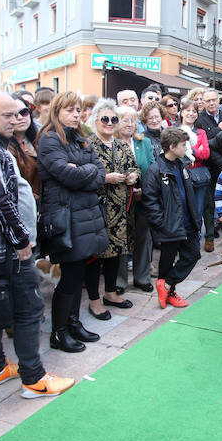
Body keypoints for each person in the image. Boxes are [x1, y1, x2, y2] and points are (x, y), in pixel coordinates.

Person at [0, 91, 74, 398]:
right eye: (7, 115)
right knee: (28, 308)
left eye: (18, 113)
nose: (15, 120)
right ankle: (34, 379)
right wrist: (19, 239)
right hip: (1, 247)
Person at [36, 92, 110, 353]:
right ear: (57, 111)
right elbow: (67, 175)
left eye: (78, 110)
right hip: (66, 217)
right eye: (70, 110)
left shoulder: (80, 138)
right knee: (69, 278)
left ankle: (73, 322)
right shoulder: (48, 140)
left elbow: (99, 173)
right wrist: (83, 173)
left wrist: (83, 172)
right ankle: (59, 332)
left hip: (84, 215)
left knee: (77, 274)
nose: (76, 115)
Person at [85, 99, 139, 320]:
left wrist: (134, 174)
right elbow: (82, 174)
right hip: (98, 209)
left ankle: (110, 292)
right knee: (95, 257)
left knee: (115, 254)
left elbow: (132, 166)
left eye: (113, 119)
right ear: (95, 120)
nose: (109, 123)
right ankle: (94, 300)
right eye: (105, 119)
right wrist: (105, 178)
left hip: (121, 210)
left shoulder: (121, 145)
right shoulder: (87, 145)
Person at [143, 128, 201, 309]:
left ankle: (166, 284)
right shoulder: (156, 170)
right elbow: (149, 199)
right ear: (172, 147)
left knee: (192, 254)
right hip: (169, 225)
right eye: (183, 145)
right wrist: (161, 222)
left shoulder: (181, 164)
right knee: (167, 260)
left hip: (187, 222)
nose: (187, 148)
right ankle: (170, 292)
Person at [116, 106, 155, 292]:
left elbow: (152, 168)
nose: (130, 124)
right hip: (119, 201)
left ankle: (142, 277)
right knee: (121, 240)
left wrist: (143, 191)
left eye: (133, 120)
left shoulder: (144, 143)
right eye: (125, 120)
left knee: (143, 238)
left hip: (142, 198)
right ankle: (119, 282)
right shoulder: (112, 143)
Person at [197, 89, 222, 252]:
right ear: (203, 103)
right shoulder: (200, 119)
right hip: (211, 167)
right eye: (207, 101)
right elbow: (206, 145)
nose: (211, 103)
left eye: (214, 100)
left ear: (219, 100)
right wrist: (219, 130)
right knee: (210, 204)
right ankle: (210, 237)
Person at [179, 101, 211, 221]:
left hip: (198, 175)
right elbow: (174, 153)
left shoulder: (201, 133)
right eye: (188, 110)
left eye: (194, 111)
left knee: (198, 210)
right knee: (182, 208)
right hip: (180, 174)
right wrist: (197, 149)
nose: (191, 114)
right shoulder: (175, 130)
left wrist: (189, 150)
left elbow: (206, 153)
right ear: (182, 112)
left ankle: (195, 236)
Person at [8, 92, 41, 202]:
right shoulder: (6, 148)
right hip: (25, 205)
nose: (20, 117)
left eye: (24, 112)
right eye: (14, 114)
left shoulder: (39, 140)